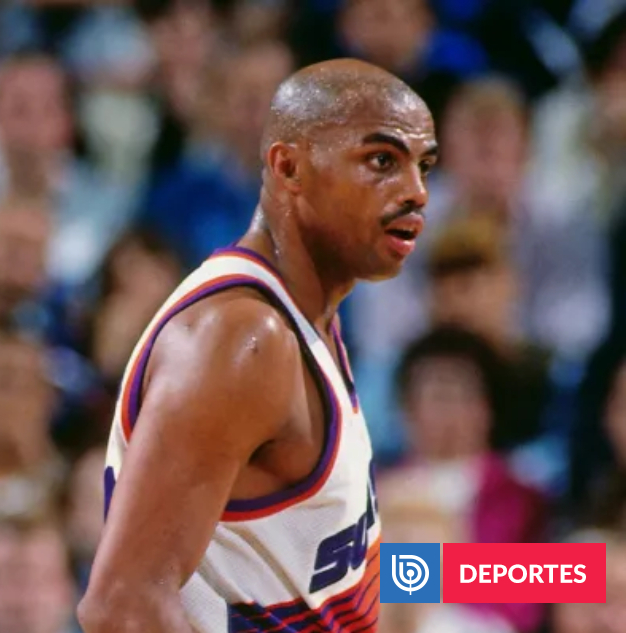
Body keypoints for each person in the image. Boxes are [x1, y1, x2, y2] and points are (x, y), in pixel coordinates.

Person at [78, 59, 438, 633]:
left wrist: (562, 574)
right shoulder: (244, 339)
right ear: (288, 166)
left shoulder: (304, 317)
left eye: (424, 166)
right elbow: (123, 605)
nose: (416, 192)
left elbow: (331, 577)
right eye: (381, 161)